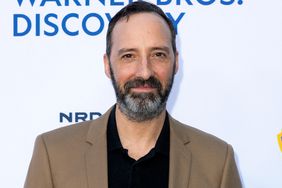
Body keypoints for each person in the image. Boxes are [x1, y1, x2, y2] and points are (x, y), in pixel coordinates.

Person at [24, 1, 242, 188]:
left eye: (158, 54)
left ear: (176, 62)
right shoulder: (53, 155)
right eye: (129, 56)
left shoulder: (217, 162)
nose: (145, 71)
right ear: (108, 65)